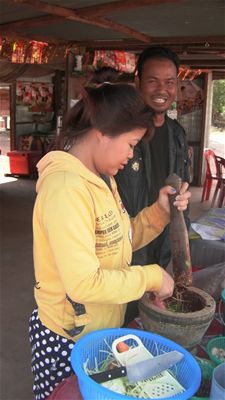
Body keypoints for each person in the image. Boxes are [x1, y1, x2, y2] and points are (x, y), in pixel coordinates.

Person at [29, 83, 190, 399]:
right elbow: (83, 283)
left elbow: (118, 240)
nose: (132, 154)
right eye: (130, 144)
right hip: (68, 338)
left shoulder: (102, 179)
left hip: (99, 328)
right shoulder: (65, 189)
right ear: (102, 132)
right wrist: (152, 277)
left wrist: (159, 211)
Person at [115, 46, 190, 323]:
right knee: (120, 319)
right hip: (126, 246)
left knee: (153, 317)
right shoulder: (120, 132)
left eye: (169, 82)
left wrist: (183, 231)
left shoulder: (178, 134)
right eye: (153, 80)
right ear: (138, 83)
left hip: (163, 246)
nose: (162, 89)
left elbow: (182, 187)